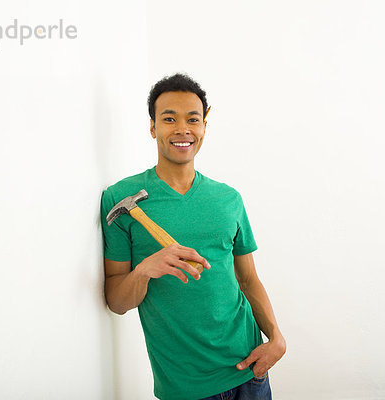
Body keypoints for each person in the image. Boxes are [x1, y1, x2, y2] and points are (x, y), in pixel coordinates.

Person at [100, 73, 286, 400]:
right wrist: (145, 269)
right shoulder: (120, 198)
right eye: (169, 118)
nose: (183, 129)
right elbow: (116, 301)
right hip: (185, 387)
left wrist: (276, 338)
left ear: (204, 125)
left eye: (193, 119)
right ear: (153, 127)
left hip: (251, 368)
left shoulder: (229, 199)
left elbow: (248, 279)